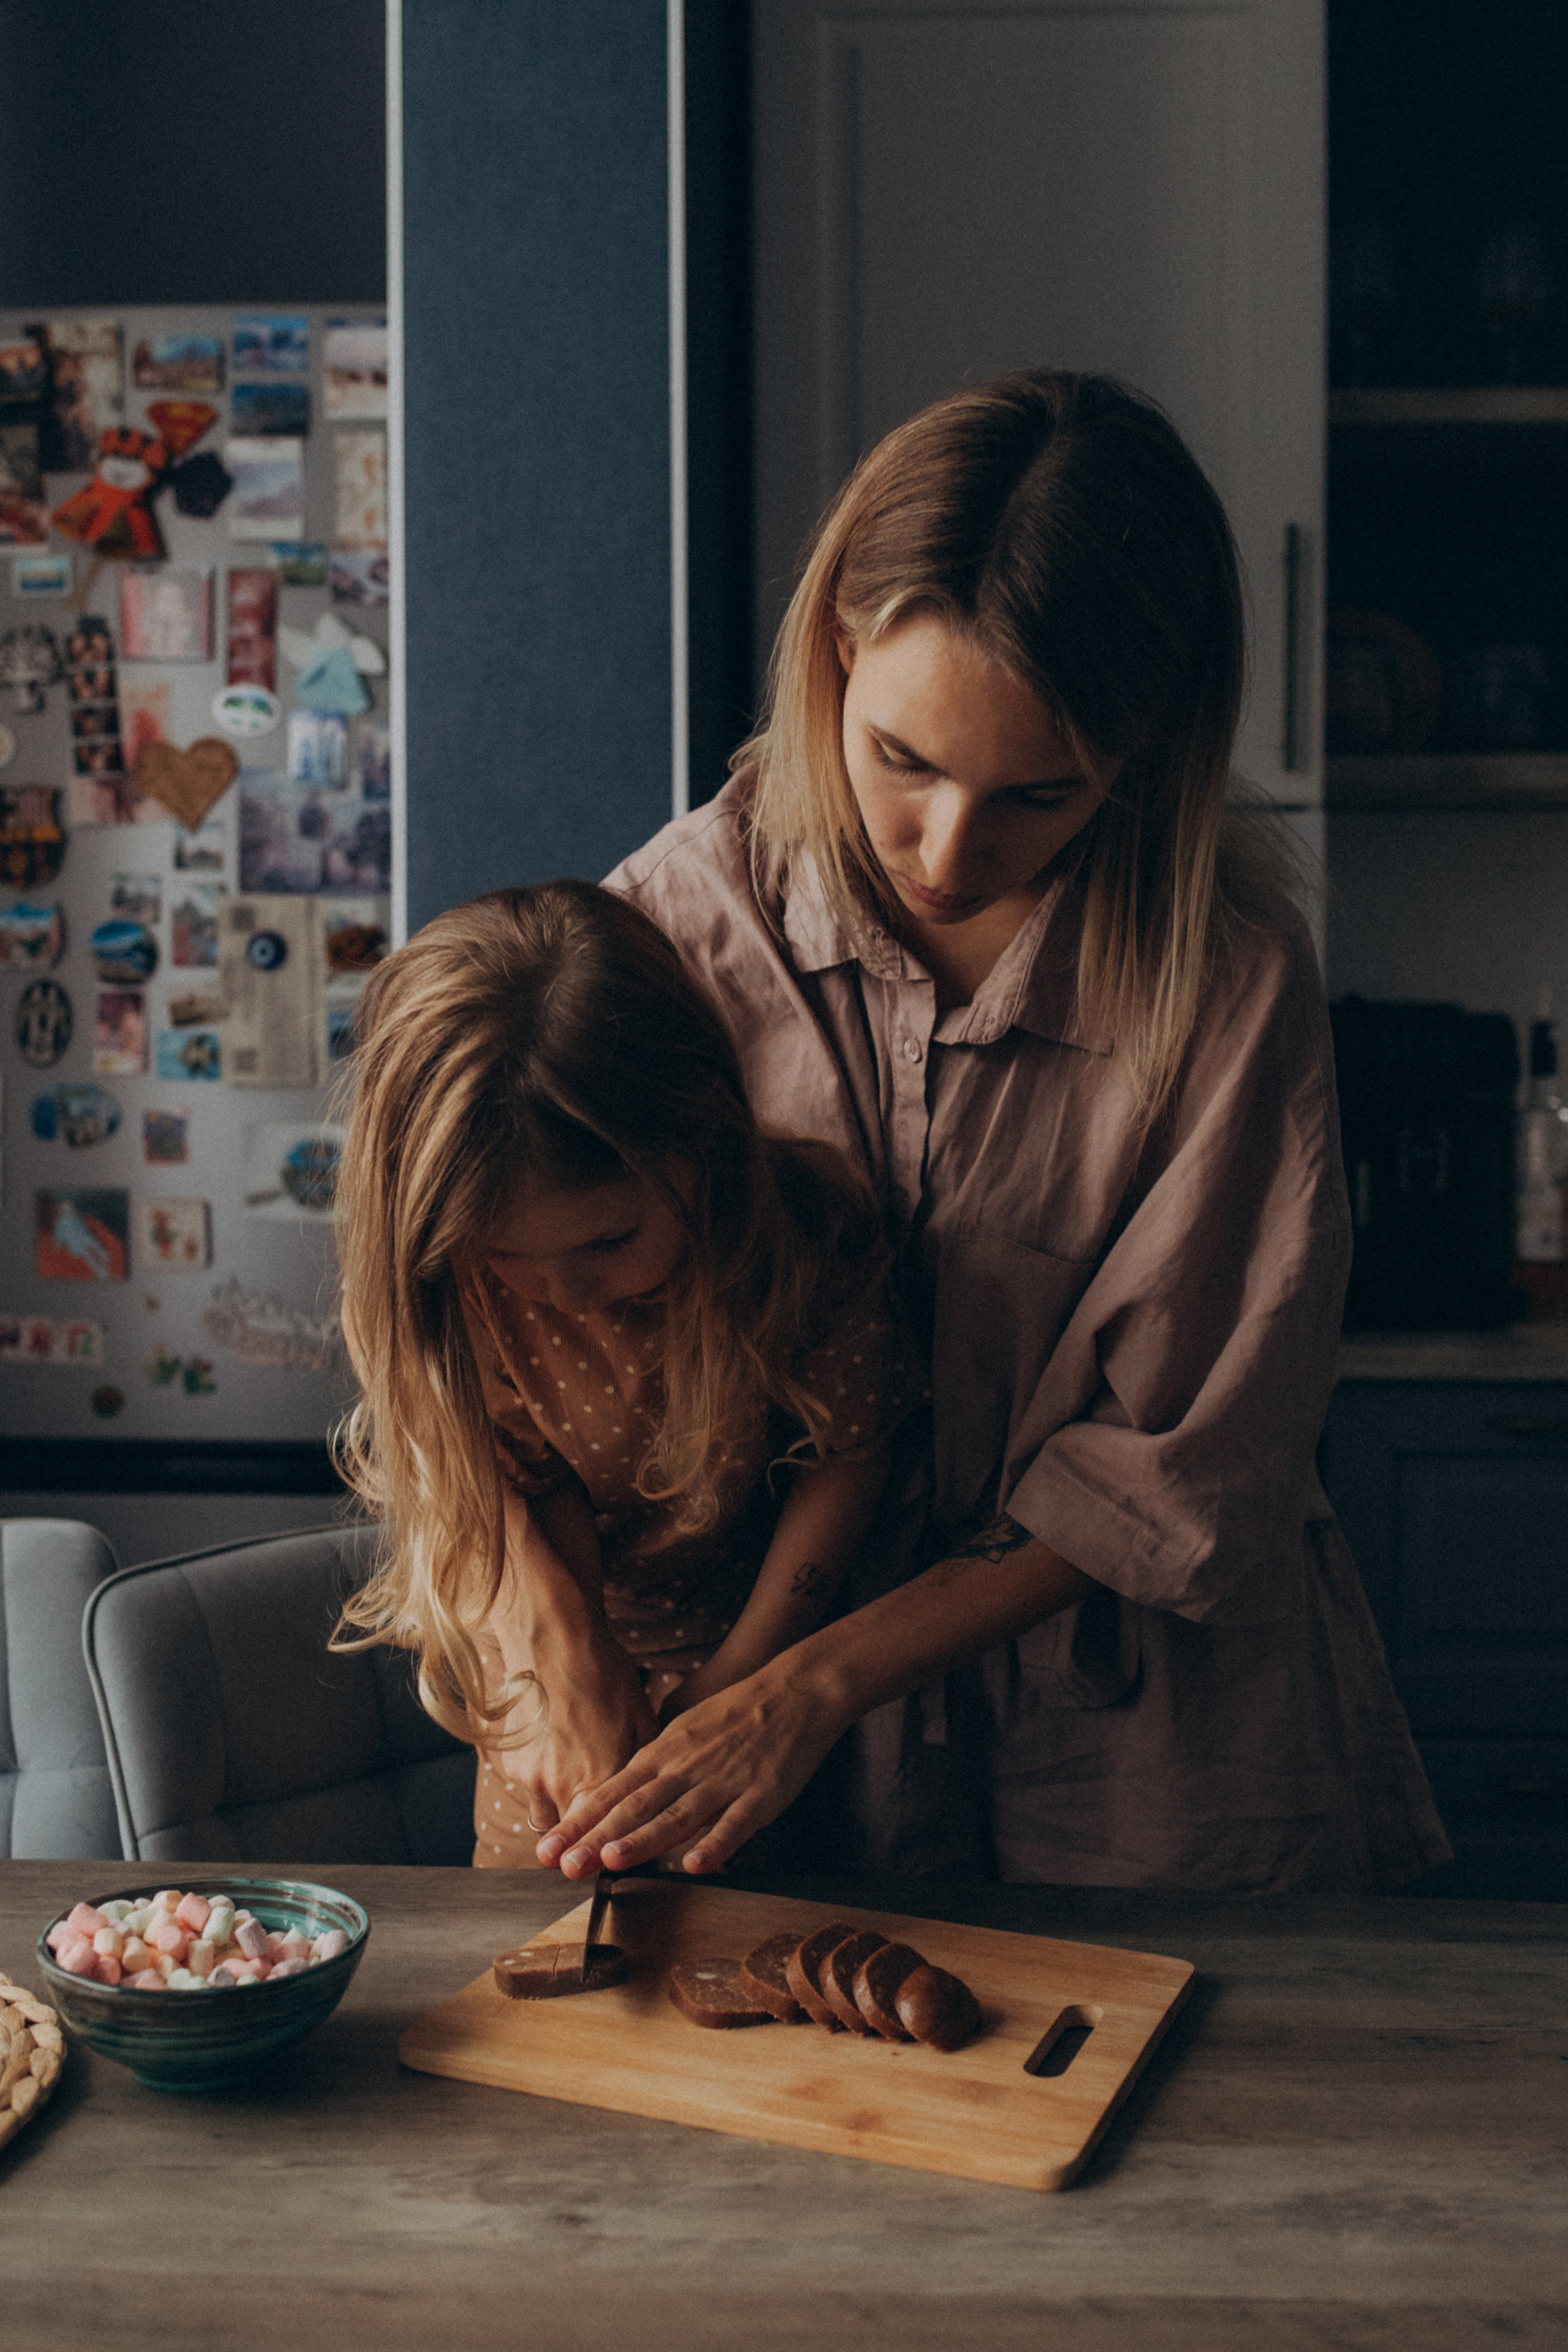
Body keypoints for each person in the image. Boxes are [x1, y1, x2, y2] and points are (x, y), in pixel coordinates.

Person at [533, 368, 1450, 1894]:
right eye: (902, 761)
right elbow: (505, 1337)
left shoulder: (1226, 983)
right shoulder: (671, 933)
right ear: (836, 650)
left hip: (1155, 1732)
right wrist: (572, 1645)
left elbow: (1180, 1461)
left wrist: (819, 1685)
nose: (948, 851)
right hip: (748, 1718)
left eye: (1038, 792)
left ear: (1142, 753)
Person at [330, 881, 919, 1865]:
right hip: (536, 1653)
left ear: (704, 1144)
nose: (561, 1290)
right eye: (505, 1256)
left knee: (767, 1953)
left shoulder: (808, 1233)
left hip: (759, 1659)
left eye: (610, 1240)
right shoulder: (434, 1281)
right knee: (545, 1947)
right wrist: (561, 1654)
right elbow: (509, 1494)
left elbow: (849, 1454)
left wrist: (740, 1671)